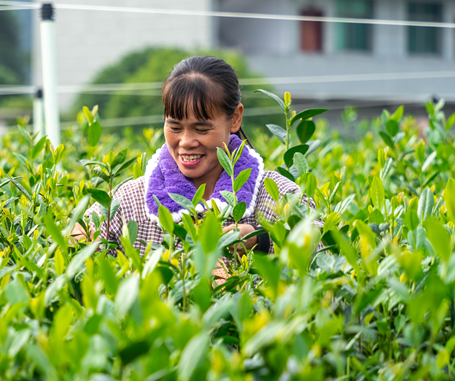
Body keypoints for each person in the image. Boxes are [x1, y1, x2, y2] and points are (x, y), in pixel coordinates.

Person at [72, 56, 324, 279]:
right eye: (174, 127)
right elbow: (70, 260)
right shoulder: (128, 202)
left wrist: (263, 240)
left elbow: (325, 264)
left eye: (201, 129)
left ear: (235, 118)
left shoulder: (280, 196)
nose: (185, 142)